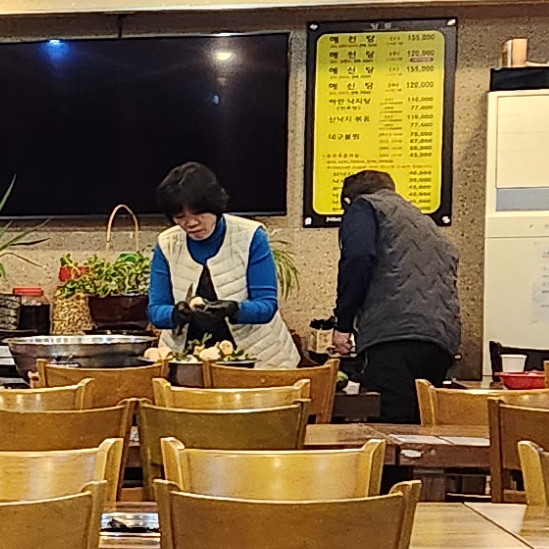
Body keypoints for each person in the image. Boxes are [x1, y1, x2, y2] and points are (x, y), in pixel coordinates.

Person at [326, 166, 460, 418]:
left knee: (390, 427)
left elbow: (358, 257)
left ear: (347, 201)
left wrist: (343, 324)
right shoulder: (424, 222)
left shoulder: (364, 206)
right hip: (441, 340)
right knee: (419, 425)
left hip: (393, 338)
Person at [148, 161, 298, 366]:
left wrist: (234, 309)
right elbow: (156, 309)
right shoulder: (168, 244)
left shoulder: (250, 236)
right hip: (188, 359)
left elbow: (266, 305)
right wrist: (175, 314)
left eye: (199, 213)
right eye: (180, 217)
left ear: (215, 206)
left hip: (257, 358)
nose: (191, 223)